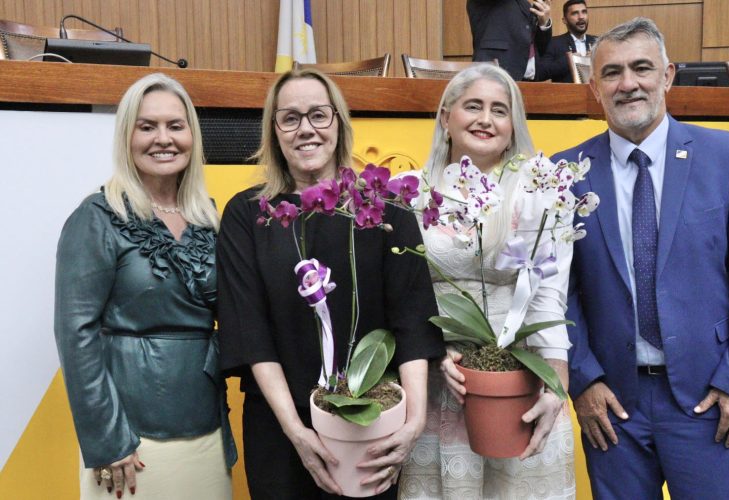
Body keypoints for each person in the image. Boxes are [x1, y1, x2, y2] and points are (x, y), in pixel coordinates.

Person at [553, 18, 729, 499]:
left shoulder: (726, 155)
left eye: (641, 68)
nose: (627, 83)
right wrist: (584, 379)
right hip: (612, 406)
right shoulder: (565, 172)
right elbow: (557, 290)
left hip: (709, 400)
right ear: (593, 87)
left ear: (668, 75)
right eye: (611, 73)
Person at [216, 68, 445, 499]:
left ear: (339, 122)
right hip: (280, 429)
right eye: (290, 118)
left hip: (372, 426)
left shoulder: (386, 210)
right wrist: (296, 432)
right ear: (274, 131)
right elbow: (250, 331)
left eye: (319, 115)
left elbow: (413, 320)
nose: (306, 129)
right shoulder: (248, 216)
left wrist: (413, 423)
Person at [54, 73, 236, 500]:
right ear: (126, 136)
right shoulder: (96, 216)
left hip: (206, 428)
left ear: (192, 134)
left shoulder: (210, 219)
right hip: (128, 443)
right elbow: (74, 333)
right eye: (147, 126)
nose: (163, 139)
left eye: (176, 125)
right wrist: (107, 439)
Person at [399, 63, 576, 499]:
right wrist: (431, 347)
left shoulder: (542, 191)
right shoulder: (410, 193)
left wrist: (556, 385)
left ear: (513, 124)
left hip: (518, 383)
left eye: (500, 110)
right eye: (472, 106)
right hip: (439, 383)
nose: (486, 119)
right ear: (445, 117)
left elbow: (548, 295)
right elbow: (400, 295)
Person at [467, 0, 553, 81]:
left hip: (525, 77)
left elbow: (538, 46)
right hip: (494, 73)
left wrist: (544, 24)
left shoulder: (524, 4)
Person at [537, 0, 596, 83]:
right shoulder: (554, 43)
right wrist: (568, 60)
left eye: (584, 12)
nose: (581, 17)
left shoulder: (598, 42)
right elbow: (540, 74)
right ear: (564, 20)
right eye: (575, 13)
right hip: (567, 94)